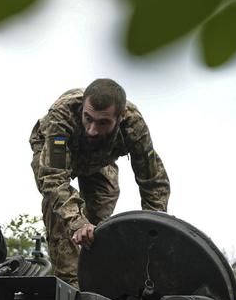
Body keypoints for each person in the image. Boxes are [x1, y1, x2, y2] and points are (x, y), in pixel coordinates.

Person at [29, 78, 170, 286]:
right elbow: (54, 179)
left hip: (100, 161)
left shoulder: (134, 126)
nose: (92, 130)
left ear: (120, 117)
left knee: (98, 230)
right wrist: (77, 222)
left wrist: (152, 235)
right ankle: (70, 284)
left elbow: (153, 182)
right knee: (62, 217)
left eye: (103, 123)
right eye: (88, 119)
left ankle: (98, 282)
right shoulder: (61, 115)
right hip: (54, 153)